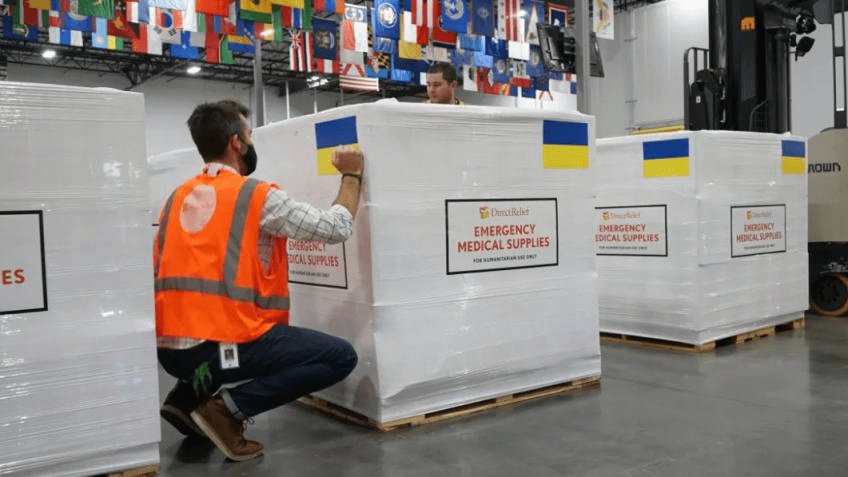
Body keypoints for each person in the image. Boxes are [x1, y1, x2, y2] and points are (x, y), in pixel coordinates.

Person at [154, 100, 362, 461]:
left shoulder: (178, 197)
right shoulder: (255, 196)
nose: (252, 143)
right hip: (217, 349)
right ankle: (226, 411)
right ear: (237, 143)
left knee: (219, 346)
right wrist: (352, 175)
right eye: (249, 135)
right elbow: (336, 227)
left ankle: (185, 398)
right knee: (340, 357)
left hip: (172, 355)